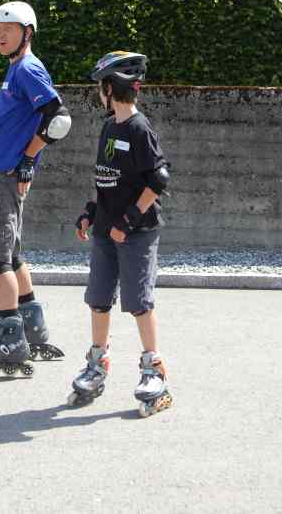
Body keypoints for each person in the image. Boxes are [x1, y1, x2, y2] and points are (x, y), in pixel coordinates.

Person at [0, 1, 71, 376]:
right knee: (11, 254)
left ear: (27, 33)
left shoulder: (27, 68)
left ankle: (11, 339)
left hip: (3, 176)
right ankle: (32, 327)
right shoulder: (17, 68)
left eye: (8, 29)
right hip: (1, 174)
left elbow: (59, 118)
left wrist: (28, 158)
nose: (0, 35)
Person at [68, 51, 173, 417]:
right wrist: (91, 211)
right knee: (98, 298)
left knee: (138, 301)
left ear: (110, 88)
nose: (99, 93)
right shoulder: (109, 126)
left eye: (101, 87)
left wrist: (128, 220)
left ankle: (153, 369)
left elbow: (158, 180)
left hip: (136, 233)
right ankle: (97, 363)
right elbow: (106, 177)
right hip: (105, 230)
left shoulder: (140, 129)